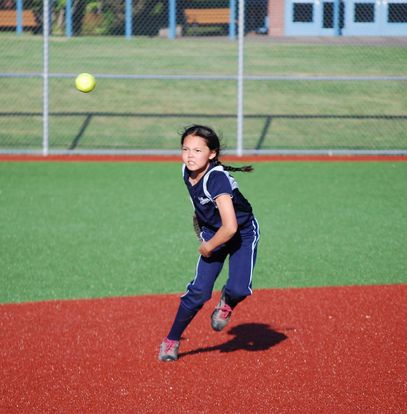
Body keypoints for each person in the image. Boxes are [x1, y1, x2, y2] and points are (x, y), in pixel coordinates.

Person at [159, 125, 260, 362]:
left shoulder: (217, 180)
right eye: (185, 149)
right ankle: (171, 340)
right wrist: (202, 219)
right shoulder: (186, 170)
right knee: (198, 293)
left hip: (241, 234)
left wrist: (208, 246)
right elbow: (199, 201)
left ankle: (227, 300)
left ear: (212, 154)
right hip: (215, 231)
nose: (190, 155)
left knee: (238, 289)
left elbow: (231, 227)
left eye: (197, 150)